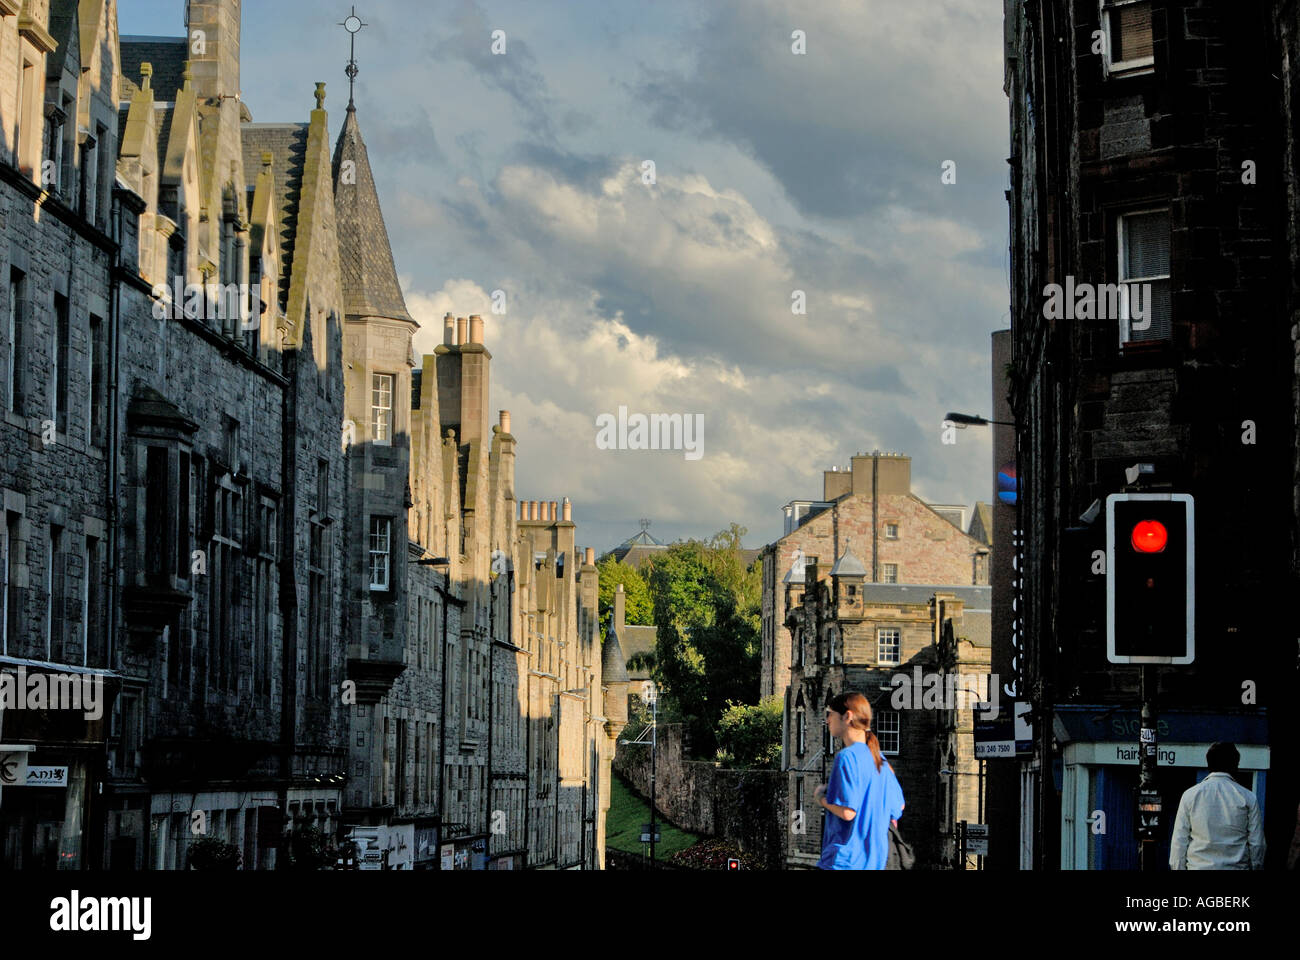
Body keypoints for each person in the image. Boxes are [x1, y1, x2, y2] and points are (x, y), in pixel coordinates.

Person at [814, 691, 905, 870]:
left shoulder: (846, 758)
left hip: (845, 861)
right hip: (876, 862)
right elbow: (898, 807)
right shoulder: (881, 760)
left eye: (830, 714)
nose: (827, 720)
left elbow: (848, 812)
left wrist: (821, 798)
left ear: (847, 716)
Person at [1169, 742, 1265, 870]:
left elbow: (1179, 842)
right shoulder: (1248, 797)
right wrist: (1256, 866)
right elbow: (1257, 843)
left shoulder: (1190, 796)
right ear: (1235, 765)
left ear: (1209, 765)